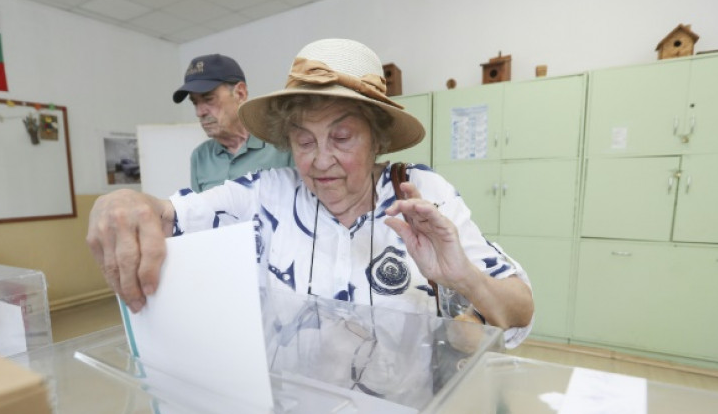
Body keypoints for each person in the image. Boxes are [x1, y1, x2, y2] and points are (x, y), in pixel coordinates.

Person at [89, 39, 533, 348]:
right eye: (304, 141)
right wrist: (123, 202)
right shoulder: (268, 195)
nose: (320, 161)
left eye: (341, 138)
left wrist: (463, 279)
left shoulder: (421, 192)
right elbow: (171, 214)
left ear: (377, 139)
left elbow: (521, 307)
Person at [173, 53, 292, 191]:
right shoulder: (200, 156)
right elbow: (200, 211)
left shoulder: (282, 144)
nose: (199, 112)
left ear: (240, 93)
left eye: (209, 99)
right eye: (195, 102)